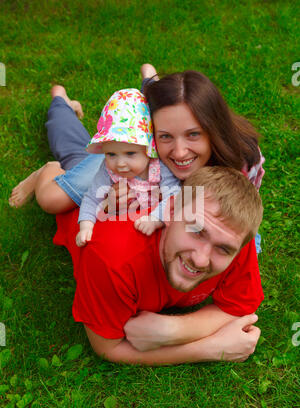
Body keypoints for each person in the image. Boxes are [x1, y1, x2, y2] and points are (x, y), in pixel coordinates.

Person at [9, 65, 264, 245]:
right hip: (132, 158)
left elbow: (240, 214)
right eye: (165, 136)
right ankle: (50, 164)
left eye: (194, 135)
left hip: (137, 158)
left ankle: (148, 81)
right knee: (54, 196)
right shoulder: (135, 150)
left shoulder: (242, 159)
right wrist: (107, 205)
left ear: (213, 129)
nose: (180, 151)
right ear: (153, 135)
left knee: (78, 154)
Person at [53, 165, 264, 365]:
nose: (201, 259)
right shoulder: (111, 257)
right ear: (170, 212)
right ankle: (47, 170)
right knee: (64, 175)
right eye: (197, 231)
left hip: (137, 181)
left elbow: (239, 307)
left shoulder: (231, 233)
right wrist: (209, 349)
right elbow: (108, 347)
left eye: (223, 249)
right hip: (81, 203)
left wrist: (173, 330)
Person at [76, 88, 180, 247]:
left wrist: (155, 219)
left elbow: (174, 194)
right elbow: (91, 197)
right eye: (111, 154)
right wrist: (86, 226)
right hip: (126, 227)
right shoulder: (107, 170)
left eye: (130, 153)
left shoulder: (158, 166)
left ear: (148, 149)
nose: (120, 163)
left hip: (150, 222)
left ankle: (151, 83)